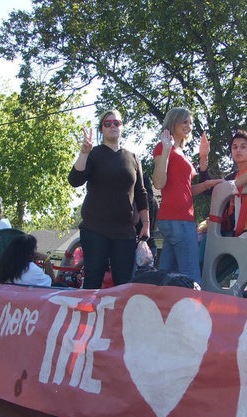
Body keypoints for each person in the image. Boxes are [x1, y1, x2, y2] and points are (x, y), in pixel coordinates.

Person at [69, 109, 150, 289]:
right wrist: (84, 152)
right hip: (95, 228)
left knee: (124, 282)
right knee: (93, 278)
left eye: (117, 123)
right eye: (108, 123)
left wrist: (146, 223)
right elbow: (75, 180)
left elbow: (141, 192)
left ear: (122, 127)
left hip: (125, 231)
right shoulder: (93, 153)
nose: (112, 126)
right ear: (102, 129)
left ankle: (119, 318)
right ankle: (89, 317)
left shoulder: (133, 158)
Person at [153, 107, 222, 283]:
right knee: (191, 276)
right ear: (173, 122)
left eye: (190, 123)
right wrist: (166, 150)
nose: (189, 126)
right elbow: (159, 183)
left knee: (167, 276)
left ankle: (161, 308)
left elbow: (184, 190)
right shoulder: (163, 147)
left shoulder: (180, 152)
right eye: (184, 121)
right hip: (178, 220)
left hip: (178, 220)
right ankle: (195, 309)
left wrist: (206, 184)